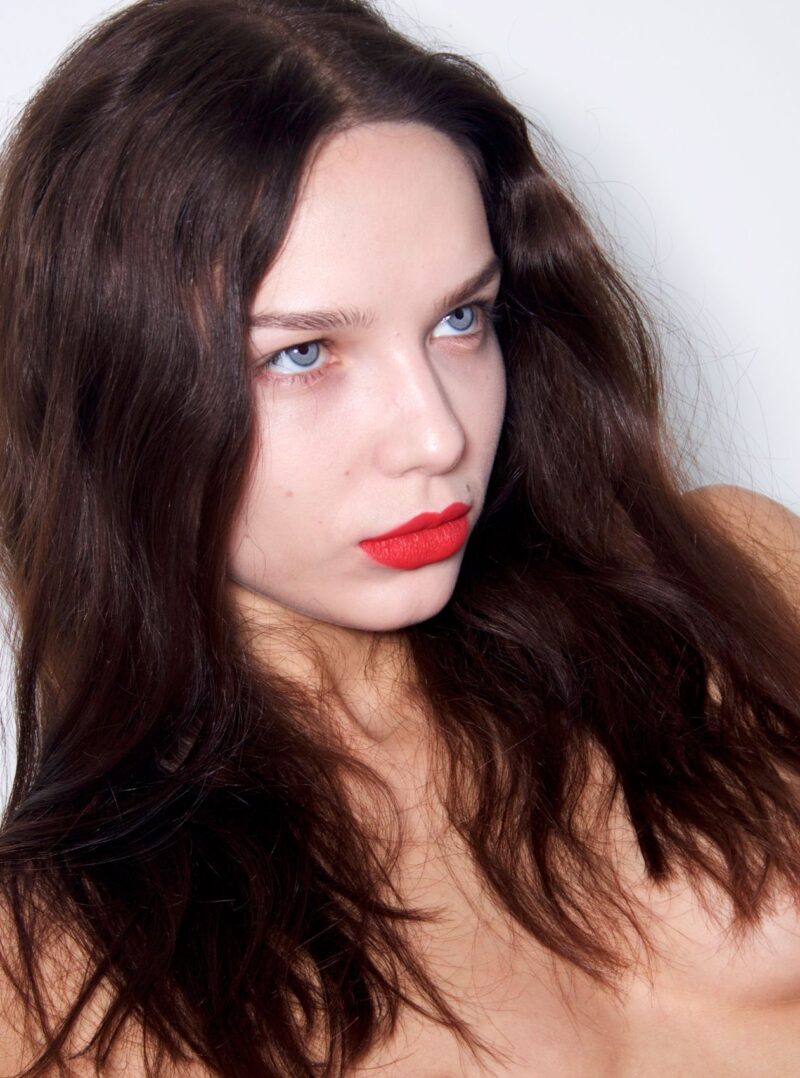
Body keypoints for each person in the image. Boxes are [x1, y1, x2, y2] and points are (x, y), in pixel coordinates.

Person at [0, 0, 799, 1074]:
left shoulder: (736, 581)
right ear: (113, 389)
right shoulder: (49, 964)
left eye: (459, 319)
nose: (437, 435)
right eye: (301, 355)